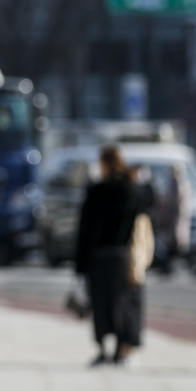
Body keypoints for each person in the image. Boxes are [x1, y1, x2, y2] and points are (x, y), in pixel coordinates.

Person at [76, 145, 147, 367]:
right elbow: (143, 210)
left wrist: (80, 263)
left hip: (98, 256)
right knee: (122, 304)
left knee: (100, 304)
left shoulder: (96, 190)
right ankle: (122, 351)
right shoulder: (130, 189)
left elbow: (84, 228)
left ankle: (103, 350)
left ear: (104, 163)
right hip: (121, 255)